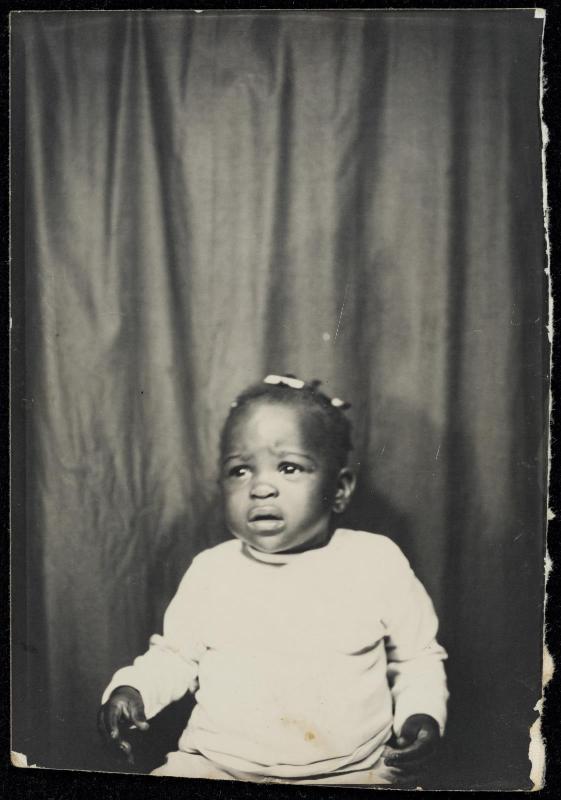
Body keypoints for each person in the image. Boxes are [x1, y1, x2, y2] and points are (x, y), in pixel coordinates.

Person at [98, 374, 448, 785]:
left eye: (288, 467)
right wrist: (132, 690)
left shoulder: (375, 561)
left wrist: (422, 714)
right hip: (217, 764)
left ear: (339, 489)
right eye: (240, 470)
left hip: (353, 772)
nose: (261, 487)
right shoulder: (213, 570)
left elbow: (417, 657)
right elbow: (175, 656)